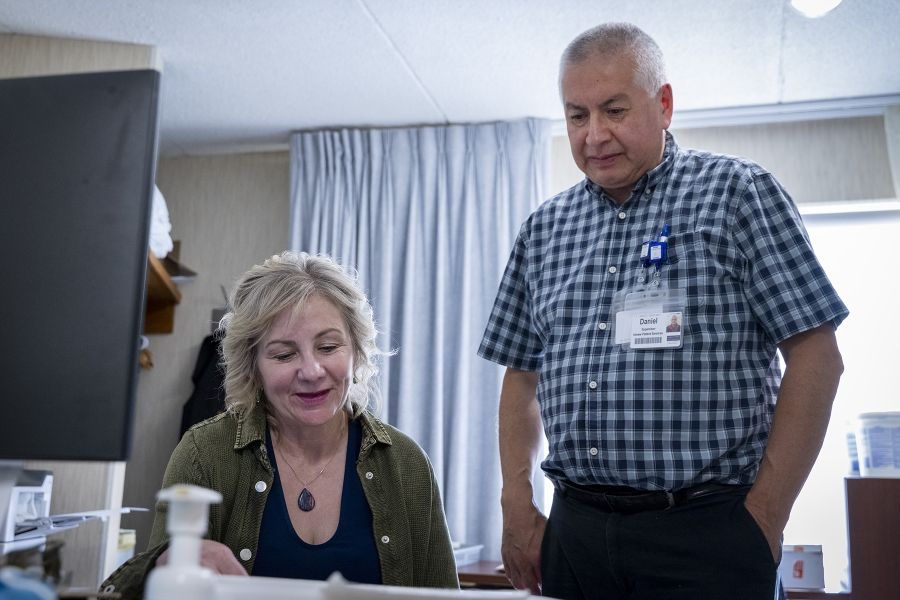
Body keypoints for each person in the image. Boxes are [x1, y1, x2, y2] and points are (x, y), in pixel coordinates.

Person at [478, 22, 847, 600]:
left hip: (707, 533)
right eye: (577, 116)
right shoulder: (543, 230)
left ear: (664, 104)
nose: (594, 135)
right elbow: (520, 375)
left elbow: (816, 355)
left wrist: (766, 517)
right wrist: (517, 507)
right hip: (576, 530)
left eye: (614, 110)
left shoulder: (737, 194)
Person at [103, 252, 458, 599]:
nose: (311, 371)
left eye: (329, 346)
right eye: (284, 355)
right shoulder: (204, 454)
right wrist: (164, 565)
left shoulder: (407, 464)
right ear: (253, 366)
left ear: (356, 350)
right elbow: (148, 583)